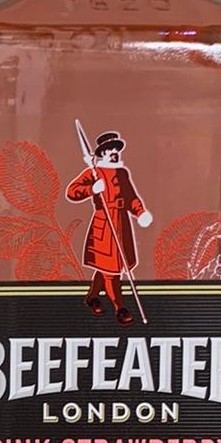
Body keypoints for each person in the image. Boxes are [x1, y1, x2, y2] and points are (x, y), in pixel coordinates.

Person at [65, 130, 153, 327]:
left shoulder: (122, 173)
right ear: (102, 153)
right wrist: (91, 189)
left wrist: (140, 213)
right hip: (104, 223)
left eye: (116, 149)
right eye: (109, 149)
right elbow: (72, 191)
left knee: (109, 267)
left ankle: (92, 297)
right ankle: (119, 307)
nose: (114, 152)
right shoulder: (94, 172)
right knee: (111, 270)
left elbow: (131, 197)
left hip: (122, 222)